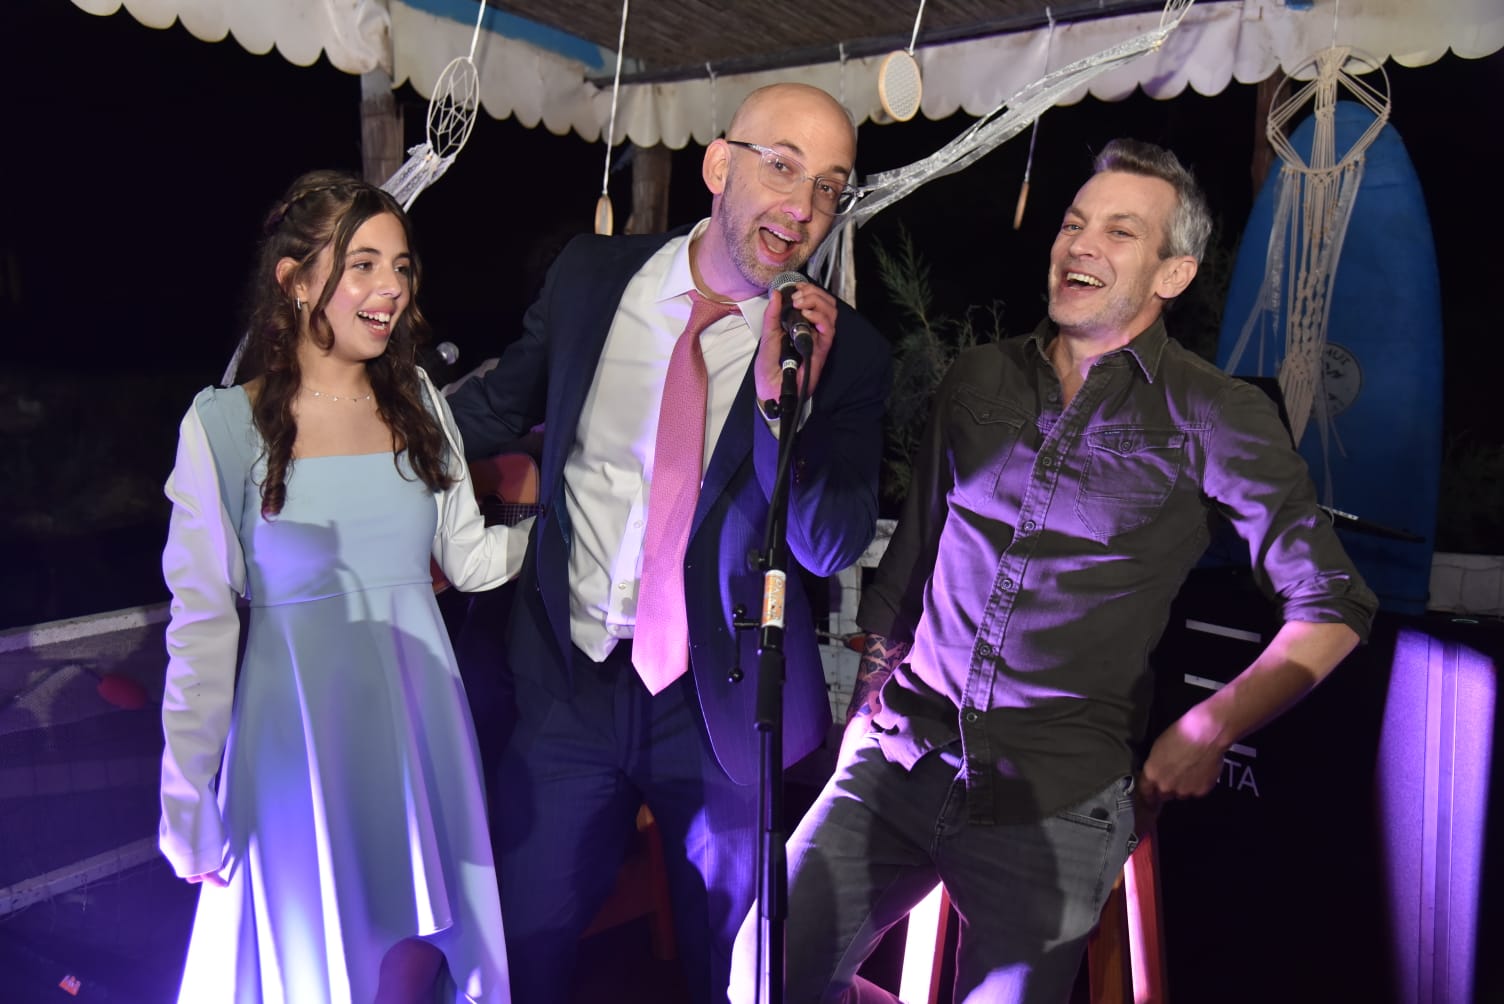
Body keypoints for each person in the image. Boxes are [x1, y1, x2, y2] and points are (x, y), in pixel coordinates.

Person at [733, 138, 1380, 1003]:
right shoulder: (979, 378)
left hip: (1056, 794)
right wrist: (864, 722)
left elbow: (1333, 604)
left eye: (1120, 231)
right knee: (760, 976)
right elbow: (910, 566)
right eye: (1075, 223)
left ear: (1173, 274)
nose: (1082, 243)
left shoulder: (1215, 413)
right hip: (900, 756)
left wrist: (1209, 727)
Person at [445, 82, 891, 1003]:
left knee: (731, 977)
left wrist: (781, 405)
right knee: (517, 954)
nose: (803, 207)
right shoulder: (591, 277)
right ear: (719, 165)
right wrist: (346, 430)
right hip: (567, 684)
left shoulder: (844, 350)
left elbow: (827, 544)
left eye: (829, 186)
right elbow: (495, 406)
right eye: (782, 167)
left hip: (724, 706)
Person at [158, 170, 530, 1003]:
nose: (391, 287)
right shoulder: (222, 426)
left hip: (420, 728)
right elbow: (202, 629)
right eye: (363, 264)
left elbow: (471, 560)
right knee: (311, 962)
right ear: (295, 281)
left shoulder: (419, 402)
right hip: (295, 743)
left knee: (421, 961)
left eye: (401, 267)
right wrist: (186, 797)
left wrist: (569, 533)